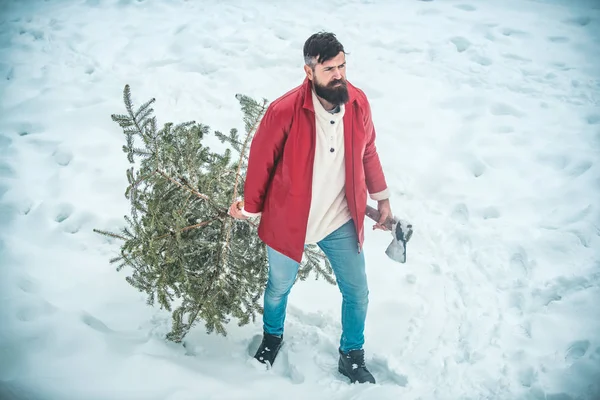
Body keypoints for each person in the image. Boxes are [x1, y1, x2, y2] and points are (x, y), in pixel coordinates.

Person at [228, 32, 392, 384]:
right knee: (277, 288)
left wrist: (383, 199)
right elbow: (261, 162)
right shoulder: (284, 111)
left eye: (343, 66)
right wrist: (251, 207)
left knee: (357, 291)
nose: (339, 75)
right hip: (290, 220)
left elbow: (368, 151)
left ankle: (352, 354)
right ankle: (272, 336)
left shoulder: (358, 104)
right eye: (330, 68)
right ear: (309, 71)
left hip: (339, 218)